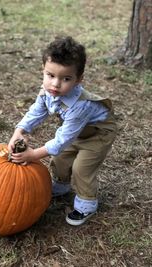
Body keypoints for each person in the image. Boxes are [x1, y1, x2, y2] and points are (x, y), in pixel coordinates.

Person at [8, 36, 117, 226]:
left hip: (98, 133)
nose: (56, 84)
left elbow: (62, 140)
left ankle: (87, 205)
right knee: (60, 159)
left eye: (66, 78)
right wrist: (20, 131)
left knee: (81, 168)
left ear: (78, 80)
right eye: (50, 75)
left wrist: (33, 154)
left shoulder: (80, 106)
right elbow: (36, 112)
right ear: (43, 71)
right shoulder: (47, 91)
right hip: (76, 131)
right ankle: (61, 185)